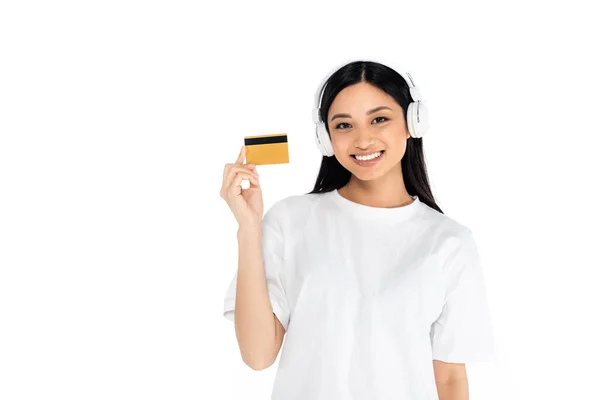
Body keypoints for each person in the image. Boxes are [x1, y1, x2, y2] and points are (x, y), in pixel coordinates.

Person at [220, 58, 496, 400]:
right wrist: (248, 229)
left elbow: (450, 379)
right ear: (326, 138)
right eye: (344, 125)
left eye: (379, 119)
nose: (363, 140)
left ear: (413, 122)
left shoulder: (449, 242)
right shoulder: (290, 220)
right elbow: (258, 355)